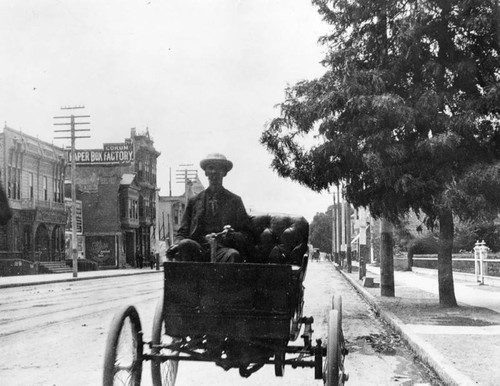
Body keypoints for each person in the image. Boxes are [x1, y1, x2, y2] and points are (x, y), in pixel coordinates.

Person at [167, 153, 252, 263]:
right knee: (185, 244)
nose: (214, 172)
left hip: (222, 250)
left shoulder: (235, 201)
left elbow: (247, 234)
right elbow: (182, 232)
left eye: (219, 168)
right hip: (198, 248)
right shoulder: (194, 202)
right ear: (206, 172)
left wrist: (231, 235)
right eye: (211, 168)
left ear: (224, 173)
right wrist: (177, 244)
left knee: (233, 255)